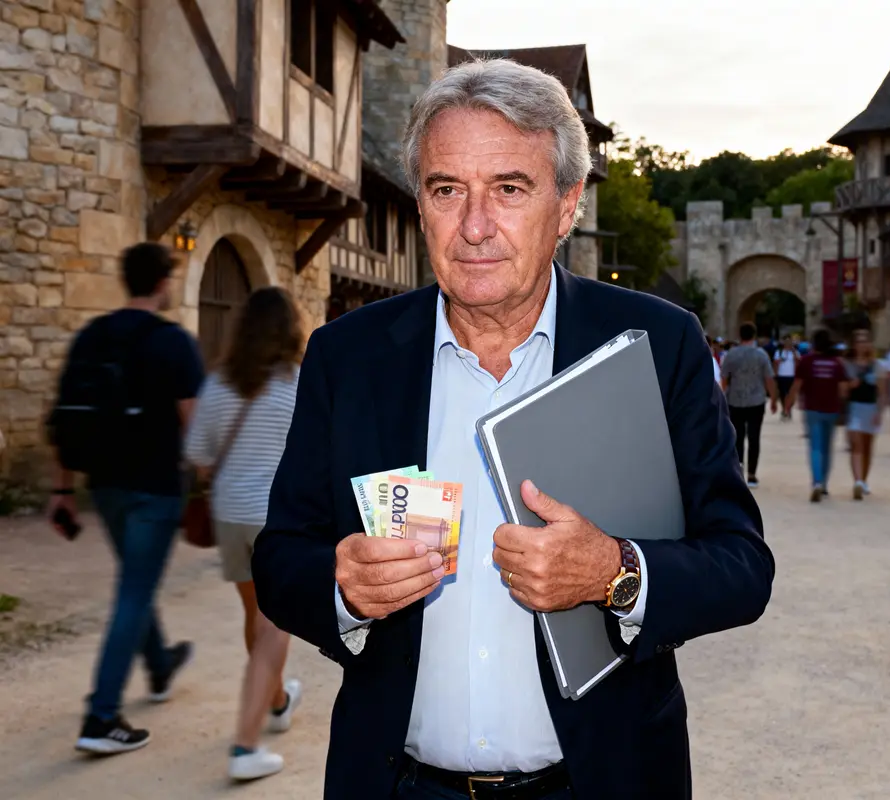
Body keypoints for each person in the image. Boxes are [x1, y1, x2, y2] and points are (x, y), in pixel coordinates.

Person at [250, 59, 774, 800]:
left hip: (598, 783)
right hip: (400, 786)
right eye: (446, 190)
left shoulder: (657, 345)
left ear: (566, 205)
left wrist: (613, 572)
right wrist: (342, 587)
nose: (473, 226)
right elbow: (279, 557)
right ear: (421, 205)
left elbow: (742, 567)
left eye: (509, 189)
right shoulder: (349, 356)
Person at [47, 242, 204, 754]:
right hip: (154, 489)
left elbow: (65, 416)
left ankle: (159, 664)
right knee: (134, 590)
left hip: (104, 486)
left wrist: (62, 489)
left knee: (137, 579)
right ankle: (101, 717)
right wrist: (205, 482)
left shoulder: (91, 336)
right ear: (161, 283)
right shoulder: (172, 342)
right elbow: (194, 426)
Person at [184, 287, 305, 781]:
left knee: (255, 616)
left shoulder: (219, 384)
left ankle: (276, 700)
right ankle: (244, 747)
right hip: (275, 519)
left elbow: (198, 456)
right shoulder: (296, 384)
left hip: (231, 516)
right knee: (273, 625)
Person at [785, 329, 848, 503]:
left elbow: (797, 385)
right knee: (827, 448)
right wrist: (843, 410)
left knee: (815, 447)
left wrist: (788, 403)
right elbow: (843, 390)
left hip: (812, 409)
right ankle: (824, 484)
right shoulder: (837, 363)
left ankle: (816, 482)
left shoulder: (807, 361)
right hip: (831, 409)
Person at [721, 322, 779, 487]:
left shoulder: (731, 354)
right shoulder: (761, 355)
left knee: (737, 437)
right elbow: (769, 378)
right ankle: (752, 474)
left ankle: (738, 469)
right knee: (754, 437)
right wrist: (773, 399)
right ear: (754, 335)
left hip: (735, 400)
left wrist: (723, 396)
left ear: (740, 335)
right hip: (756, 401)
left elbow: (724, 378)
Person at [844, 329, 886, 500]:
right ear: (854, 345)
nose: (862, 344)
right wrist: (850, 385)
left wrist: (880, 412)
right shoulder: (847, 365)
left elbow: (882, 392)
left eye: (865, 341)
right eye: (859, 341)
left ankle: (864, 479)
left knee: (867, 447)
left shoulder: (877, 365)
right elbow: (841, 389)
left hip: (871, 408)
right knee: (856, 445)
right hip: (854, 407)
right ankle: (857, 481)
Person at [773, 334, 798, 420]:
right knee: (783, 394)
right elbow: (775, 363)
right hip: (781, 376)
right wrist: (775, 375)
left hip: (792, 376)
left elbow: (798, 361)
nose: (787, 343)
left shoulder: (795, 352)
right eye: (786, 341)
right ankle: (784, 409)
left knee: (791, 394)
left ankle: (789, 408)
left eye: (789, 341)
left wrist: (794, 352)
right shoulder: (779, 352)